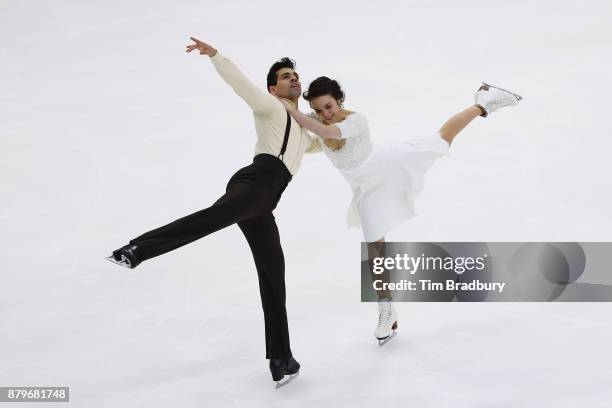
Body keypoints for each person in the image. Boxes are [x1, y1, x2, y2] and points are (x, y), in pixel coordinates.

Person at [107, 36, 321, 386]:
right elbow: (242, 85)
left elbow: (327, 139)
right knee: (211, 219)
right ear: (273, 87)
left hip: (265, 201)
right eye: (285, 76)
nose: (293, 79)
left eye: (295, 74)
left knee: (273, 272)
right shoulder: (269, 106)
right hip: (254, 184)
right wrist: (216, 56)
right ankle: (137, 249)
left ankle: (281, 357)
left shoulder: (302, 126)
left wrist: (343, 125)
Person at [279, 77, 522, 344]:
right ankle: (386, 308)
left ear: (339, 100)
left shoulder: (357, 121)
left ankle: (483, 103)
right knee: (374, 248)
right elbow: (313, 136)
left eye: (329, 107)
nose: (326, 114)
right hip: (367, 189)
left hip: (389, 165)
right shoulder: (316, 120)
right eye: (320, 110)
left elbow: (328, 134)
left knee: (441, 139)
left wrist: (293, 111)